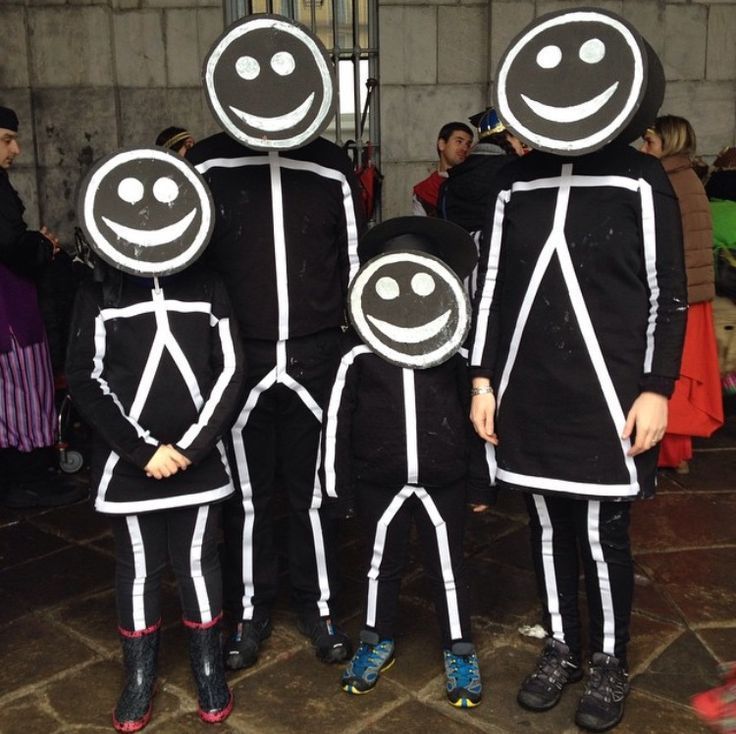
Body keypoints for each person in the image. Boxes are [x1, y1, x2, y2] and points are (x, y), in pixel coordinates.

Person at [468, 9, 686, 732]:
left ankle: (611, 661)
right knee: (543, 526)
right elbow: (493, 284)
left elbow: (667, 289)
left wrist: (657, 387)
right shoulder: (512, 181)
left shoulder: (641, 177)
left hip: (611, 391)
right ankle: (562, 646)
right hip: (529, 391)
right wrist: (481, 378)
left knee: (601, 534)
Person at [188, 14, 364, 670]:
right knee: (250, 496)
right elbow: (190, 265)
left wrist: (350, 344)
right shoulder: (207, 160)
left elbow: (351, 261)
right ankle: (253, 613)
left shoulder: (329, 163)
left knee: (314, 493)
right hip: (243, 358)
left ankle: (319, 608)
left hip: (317, 355)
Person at [67, 147, 245, 731]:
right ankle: (139, 677)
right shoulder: (97, 292)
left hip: (197, 458)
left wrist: (191, 447)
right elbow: (85, 380)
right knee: (139, 566)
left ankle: (208, 669)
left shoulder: (211, 284)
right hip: (129, 463)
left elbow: (230, 371)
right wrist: (142, 449)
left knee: (197, 562)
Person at [321, 217, 494, 708]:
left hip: (445, 480)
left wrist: (483, 483)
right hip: (380, 481)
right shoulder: (358, 356)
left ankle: (459, 647)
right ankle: (376, 638)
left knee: (449, 566)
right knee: (380, 565)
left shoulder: (457, 354)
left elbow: (476, 421)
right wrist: (338, 486)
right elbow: (338, 421)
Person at [0, 105, 86, 508]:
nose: (15, 149)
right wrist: (43, 245)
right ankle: (28, 479)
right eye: (6, 140)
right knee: (20, 387)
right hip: (8, 310)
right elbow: (13, 248)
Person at [640, 115, 724, 472]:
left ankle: (667, 452)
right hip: (692, 293)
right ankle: (673, 453)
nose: (644, 149)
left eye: (650, 142)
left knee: (671, 371)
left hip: (679, 296)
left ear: (668, 144)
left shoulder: (669, 182)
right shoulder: (685, 178)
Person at [412, 122, 473, 216]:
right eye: (459, 142)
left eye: (468, 144)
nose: (464, 148)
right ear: (442, 144)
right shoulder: (424, 190)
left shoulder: (474, 183)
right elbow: (419, 227)